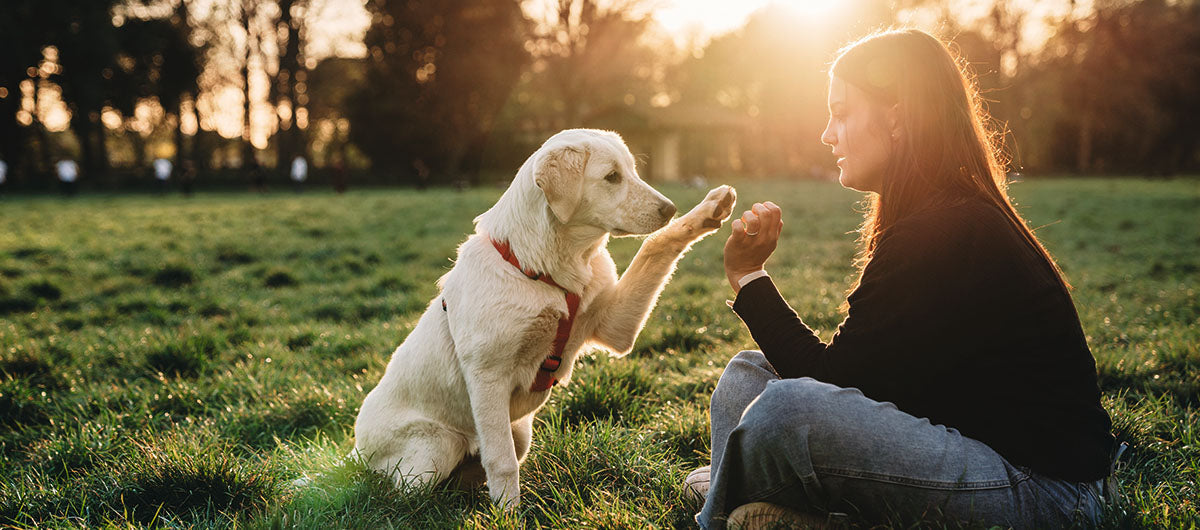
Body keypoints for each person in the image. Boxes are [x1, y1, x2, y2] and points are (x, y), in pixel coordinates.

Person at [689, 29, 1115, 529]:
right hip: (968, 444)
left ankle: (719, 508)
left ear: (895, 116)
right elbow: (863, 385)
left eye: (842, 113)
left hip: (1047, 496)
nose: (828, 134)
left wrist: (747, 275)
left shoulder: (945, 228)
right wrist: (750, 277)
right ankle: (747, 494)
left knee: (787, 410)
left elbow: (830, 385)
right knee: (748, 378)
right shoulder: (933, 215)